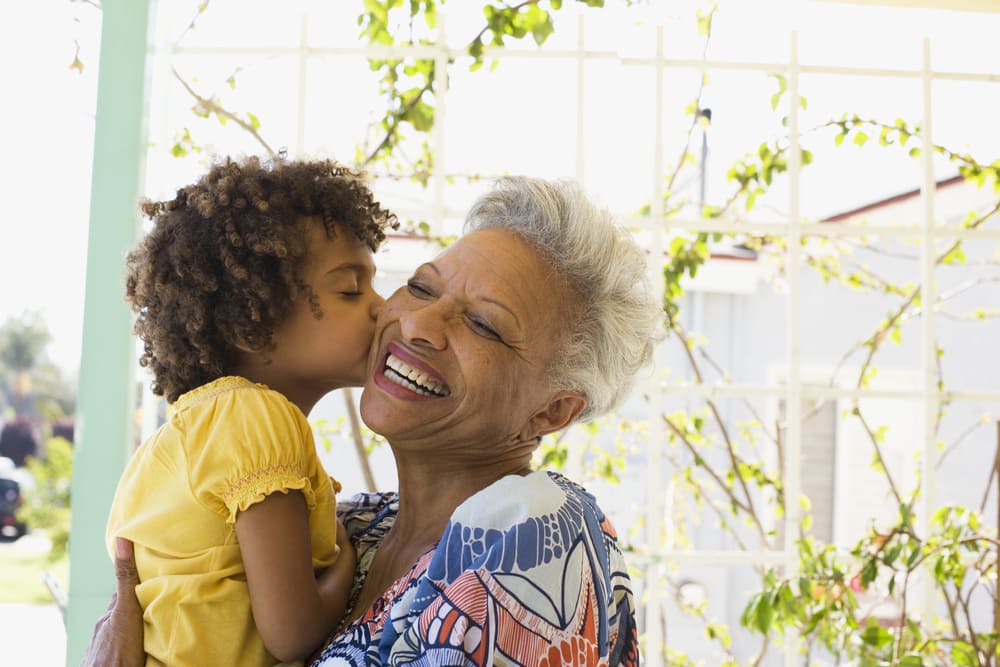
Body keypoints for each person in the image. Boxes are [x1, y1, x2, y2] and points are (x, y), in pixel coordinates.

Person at [86, 175, 662, 667]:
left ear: (552, 410)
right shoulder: (355, 526)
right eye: (420, 287)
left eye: (483, 324)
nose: (415, 324)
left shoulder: (532, 545)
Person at [103, 156, 396, 666]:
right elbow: (292, 633)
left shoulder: (190, 434)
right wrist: (350, 566)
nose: (382, 305)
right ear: (251, 322)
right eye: (350, 289)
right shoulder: (257, 418)